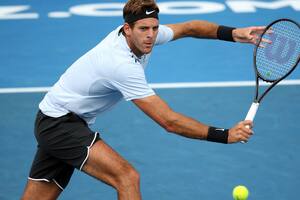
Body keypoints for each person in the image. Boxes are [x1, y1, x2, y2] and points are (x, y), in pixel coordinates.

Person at [21, 0, 263, 199]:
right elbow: (169, 121)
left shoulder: (145, 35)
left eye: (154, 28)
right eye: (143, 29)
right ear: (127, 29)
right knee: (127, 177)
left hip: (57, 119)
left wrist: (234, 33)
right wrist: (225, 135)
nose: (151, 36)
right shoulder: (120, 65)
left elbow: (190, 27)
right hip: (59, 125)